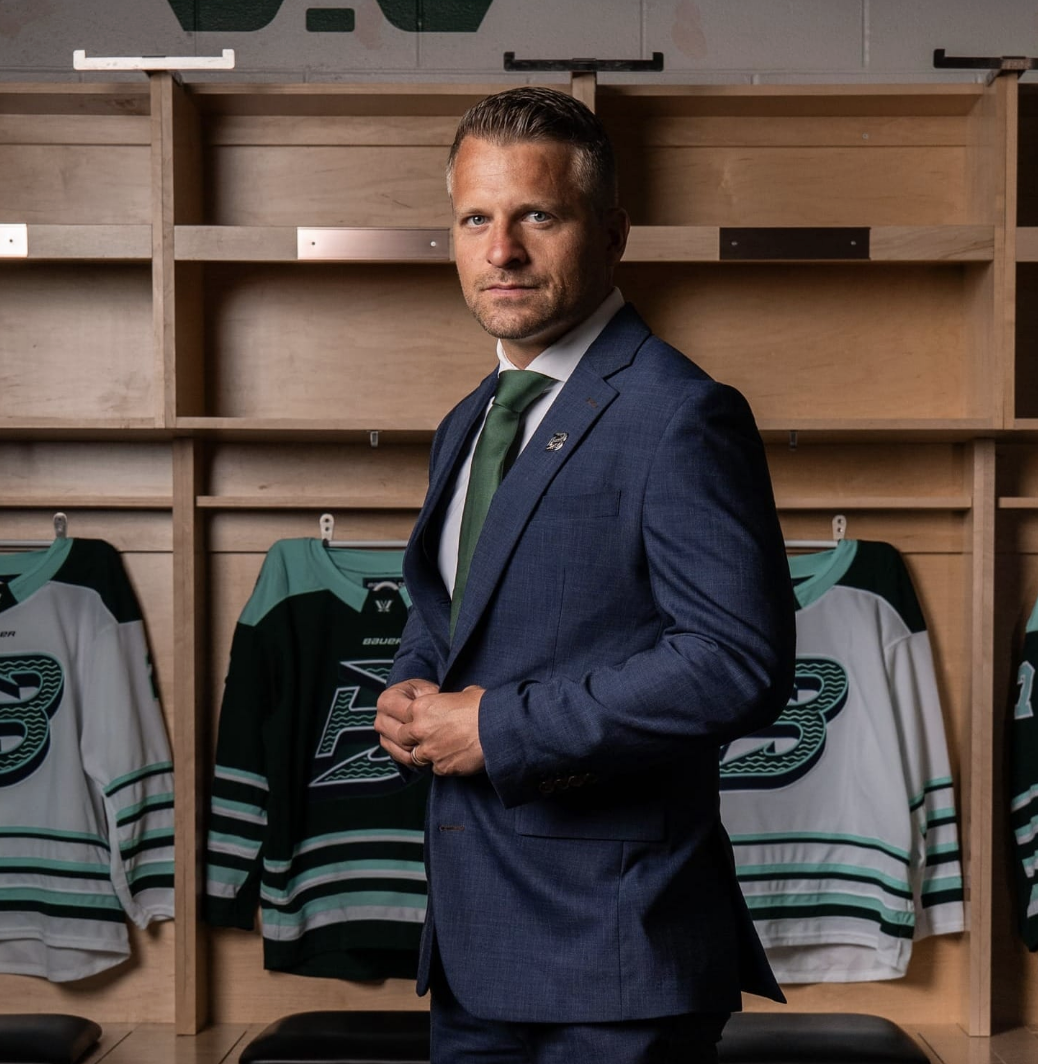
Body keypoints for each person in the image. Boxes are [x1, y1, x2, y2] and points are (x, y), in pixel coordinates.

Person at [373, 86, 796, 1064]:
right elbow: (454, 619)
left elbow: (735, 662)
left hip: (616, 955)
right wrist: (409, 686)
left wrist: (497, 725)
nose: (500, 249)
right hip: (475, 951)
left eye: (537, 216)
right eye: (475, 217)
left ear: (609, 233)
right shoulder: (468, 419)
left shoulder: (680, 413)